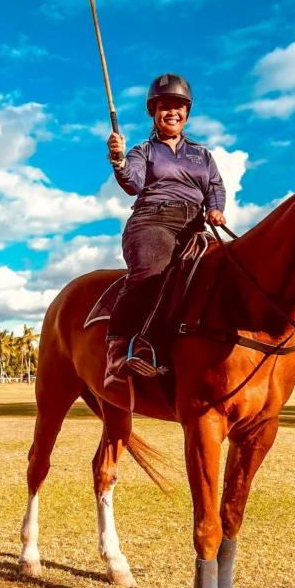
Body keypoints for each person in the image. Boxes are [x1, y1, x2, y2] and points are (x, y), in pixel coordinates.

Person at [105, 73, 227, 377]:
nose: (171, 111)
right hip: (151, 220)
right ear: (153, 112)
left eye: (178, 105)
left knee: (227, 269)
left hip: (194, 226)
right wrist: (118, 159)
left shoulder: (202, 154)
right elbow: (132, 184)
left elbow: (215, 187)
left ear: (186, 112)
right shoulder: (142, 151)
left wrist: (215, 209)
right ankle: (118, 348)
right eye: (164, 106)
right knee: (152, 272)